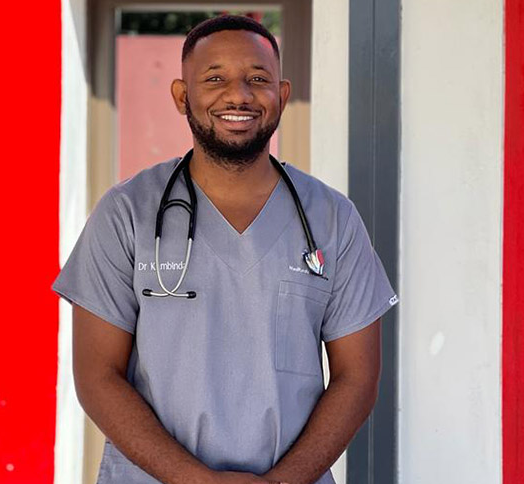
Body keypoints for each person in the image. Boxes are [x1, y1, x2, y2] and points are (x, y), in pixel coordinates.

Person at [52, 15, 398, 484]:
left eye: (258, 79)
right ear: (181, 96)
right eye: (215, 78)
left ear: (283, 95)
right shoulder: (127, 214)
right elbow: (97, 376)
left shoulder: (331, 219)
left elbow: (357, 379)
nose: (239, 95)